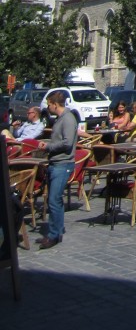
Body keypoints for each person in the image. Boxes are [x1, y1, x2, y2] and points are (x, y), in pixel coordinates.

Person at [37, 90, 77, 249]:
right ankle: (57, 231)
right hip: (56, 162)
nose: (48, 107)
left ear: (55, 104)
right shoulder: (60, 119)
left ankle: (53, 235)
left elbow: (67, 143)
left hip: (63, 164)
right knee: (56, 200)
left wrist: (49, 147)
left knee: (53, 199)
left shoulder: (68, 119)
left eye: (49, 104)